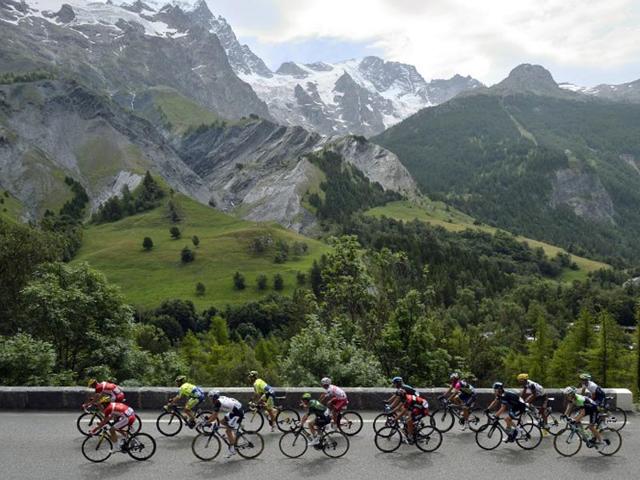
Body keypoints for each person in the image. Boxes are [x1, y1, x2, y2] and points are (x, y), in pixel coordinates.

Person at [205, 390, 245, 458]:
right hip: (234, 411)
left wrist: (206, 422)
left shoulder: (218, 402)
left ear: (214, 397)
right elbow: (214, 413)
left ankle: (232, 450)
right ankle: (235, 429)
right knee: (222, 422)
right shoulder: (218, 400)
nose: (210, 399)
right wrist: (209, 418)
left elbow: (215, 416)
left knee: (228, 431)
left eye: (210, 398)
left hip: (238, 413)